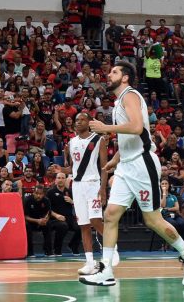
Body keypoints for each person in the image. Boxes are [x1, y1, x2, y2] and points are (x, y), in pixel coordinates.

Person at [82, 61, 184, 287]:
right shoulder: (120, 101)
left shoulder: (130, 95)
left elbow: (137, 127)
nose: (109, 75)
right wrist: (115, 160)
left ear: (125, 77)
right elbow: (132, 136)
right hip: (126, 165)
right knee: (111, 214)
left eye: (114, 72)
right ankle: (106, 270)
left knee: (152, 219)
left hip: (142, 164)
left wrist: (105, 128)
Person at [63, 112, 111, 275]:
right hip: (77, 186)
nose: (78, 122)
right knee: (83, 224)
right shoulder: (71, 142)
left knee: (95, 220)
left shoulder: (98, 140)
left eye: (82, 119)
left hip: (92, 184)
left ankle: (112, 247)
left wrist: (103, 189)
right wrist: (60, 169)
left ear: (89, 123)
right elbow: (72, 168)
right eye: (76, 120)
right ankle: (90, 263)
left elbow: (104, 167)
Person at [24, 185, 53, 257]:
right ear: (33, 193)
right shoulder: (27, 200)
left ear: (43, 194)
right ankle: (30, 252)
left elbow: (48, 212)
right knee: (27, 226)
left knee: (48, 225)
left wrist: (45, 220)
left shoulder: (46, 200)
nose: (38, 196)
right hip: (31, 221)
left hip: (42, 221)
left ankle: (48, 251)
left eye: (40, 194)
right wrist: (37, 221)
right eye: (37, 193)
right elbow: (25, 216)